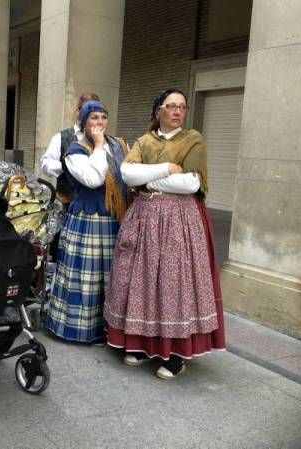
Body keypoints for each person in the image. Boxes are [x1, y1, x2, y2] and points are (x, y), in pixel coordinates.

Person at [103, 88, 226, 379]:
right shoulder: (145, 140)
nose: (177, 111)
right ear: (159, 111)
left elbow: (191, 184)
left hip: (179, 222)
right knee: (139, 279)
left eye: (182, 106)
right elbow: (127, 174)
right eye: (171, 106)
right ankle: (139, 344)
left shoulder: (193, 139)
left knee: (173, 283)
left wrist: (151, 181)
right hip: (144, 220)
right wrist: (167, 169)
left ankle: (175, 354)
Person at [45, 100, 129, 344]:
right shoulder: (75, 150)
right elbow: (93, 179)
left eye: (103, 117)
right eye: (93, 118)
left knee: (108, 276)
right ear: (83, 122)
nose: (99, 122)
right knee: (87, 279)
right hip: (87, 221)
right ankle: (81, 330)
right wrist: (101, 145)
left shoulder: (119, 145)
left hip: (112, 218)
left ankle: (109, 329)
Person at [40, 93, 100, 261]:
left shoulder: (102, 140)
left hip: (94, 206)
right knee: (63, 251)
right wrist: (67, 168)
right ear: (78, 111)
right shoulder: (62, 137)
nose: (92, 117)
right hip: (67, 203)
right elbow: (45, 163)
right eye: (87, 111)